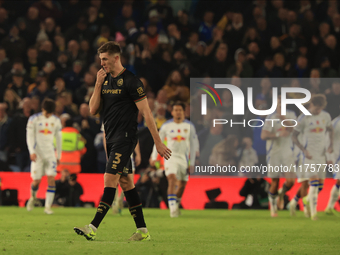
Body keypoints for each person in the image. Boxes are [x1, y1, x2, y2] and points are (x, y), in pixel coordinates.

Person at [74, 41, 171, 241]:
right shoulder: (105, 80)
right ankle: (143, 231)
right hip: (110, 138)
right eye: (101, 60)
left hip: (125, 139)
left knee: (110, 179)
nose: (102, 64)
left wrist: (158, 143)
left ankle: (92, 227)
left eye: (105, 60)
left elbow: (146, 113)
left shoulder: (132, 81)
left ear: (116, 58)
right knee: (127, 183)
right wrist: (98, 84)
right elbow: (93, 110)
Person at [150, 102, 199, 217]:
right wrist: (153, 157)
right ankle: (172, 210)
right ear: (172, 112)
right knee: (171, 179)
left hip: (183, 158)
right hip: (170, 157)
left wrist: (192, 162)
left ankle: (175, 205)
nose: (178, 112)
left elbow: (194, 144)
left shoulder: (189, 126)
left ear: (184, 112)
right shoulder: (166, 126)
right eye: (175, 110)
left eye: (180, 110)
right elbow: (158, 142)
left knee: (182, 184)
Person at [290, 94, 333, 220]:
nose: (318, 111)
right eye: (316, 108)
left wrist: (330, 145)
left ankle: (299, 201)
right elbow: (294, 136)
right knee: (311, 185)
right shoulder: (303, 118)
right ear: (311, 105)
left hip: (321, 155)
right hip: (308, 156)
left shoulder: (326, 116)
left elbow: (330, 129)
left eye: (320, 109)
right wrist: (303, 150)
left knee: (319, 187)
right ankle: (313, 214)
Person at [260, 97, 296, 217]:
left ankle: (282, 193)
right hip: (274, 152)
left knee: (291, 181)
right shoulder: (271, 117)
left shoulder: (291, 114)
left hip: (288, 151)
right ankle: (273, 207)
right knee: (274, 182)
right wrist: (277, 134)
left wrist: (283, 118)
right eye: (278, 103)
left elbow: (292, 129)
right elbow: (263, 135)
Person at [26, 98, 62, 214]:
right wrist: (31, 151)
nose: (48, 115)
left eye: (50, 113)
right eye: (46, 112)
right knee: (36, 181)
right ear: (42, 109)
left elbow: (59, 138)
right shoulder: (34, 119)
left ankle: (47, 207)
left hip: (50, 154)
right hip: (38, 154)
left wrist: (59, 156)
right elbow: (30, 137)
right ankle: (32, 198)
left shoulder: (56, 121)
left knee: (51, 178)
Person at [324, 114, 340, 215]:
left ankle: (329, 207)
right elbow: (327, 140)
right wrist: (328, 157)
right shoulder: (335, 122)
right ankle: (329, 206)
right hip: (337, 157)